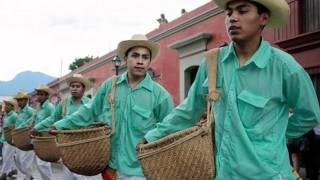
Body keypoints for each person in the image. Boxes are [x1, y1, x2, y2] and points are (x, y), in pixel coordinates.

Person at [139, 0, 320, 179]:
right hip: (223, 174)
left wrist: (275, 134)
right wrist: (153, 136)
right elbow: (189, 109)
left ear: (263, 18)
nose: (233, 18)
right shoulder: (212, 63)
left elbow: (309, 114)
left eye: (242, 11)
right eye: (229, 12)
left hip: (269, 175)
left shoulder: (285, 67)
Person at [50, 34, 174, 180]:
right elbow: (89, 110)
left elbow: (170, 127)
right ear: (125, 59)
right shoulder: (110, 86)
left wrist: (152, 140)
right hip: (111, 168)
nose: (140, 61)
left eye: (145, 57)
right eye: (135, 55)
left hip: (141, 170)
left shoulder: (160, 95)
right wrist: (61, 125)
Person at [32, 74, 92, 180]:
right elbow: (52, 118)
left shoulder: (89, 103)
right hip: (66, 143)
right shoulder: (64, 104)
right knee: (68, 174)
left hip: (84, 144)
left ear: (83, 89)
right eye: (72, 86)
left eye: (78, 86)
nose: (74, 89)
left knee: (81, 175)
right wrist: (37, 127)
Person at [19, 84, 54, 180]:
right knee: (40, 164)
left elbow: (54, 120)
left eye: (41, 94)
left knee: (43, 163)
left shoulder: (49, 107)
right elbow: (33, 120)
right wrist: (29, 126)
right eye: (38, 94)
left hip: (46, 138)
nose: (38, 96)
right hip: (37, 138)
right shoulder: (38, 107)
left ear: (47, 96)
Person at [13, 91, 35, 180]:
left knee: (24, 160)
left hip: (27, 139)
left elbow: (33, 120)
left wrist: (22, 126)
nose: (19, 102)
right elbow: (17, 125)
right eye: (18, 101)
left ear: (26, 100)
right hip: (19, 139)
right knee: (17, 159)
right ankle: (29, 175)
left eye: (21, 100)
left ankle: (28, 176)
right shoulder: (19, 111)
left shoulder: (30, 110)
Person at [0, 98, 19, 180]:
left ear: (12, 107)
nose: (6, 106)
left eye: (8, 105)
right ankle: (13, 170)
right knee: (7, 156)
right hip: (4, 139)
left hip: (11, 140)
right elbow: (4, 127)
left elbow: (18, 126)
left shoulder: (14, 115)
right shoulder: (6, 115)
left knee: (7, 157)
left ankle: (3, 173)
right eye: (5, 104)